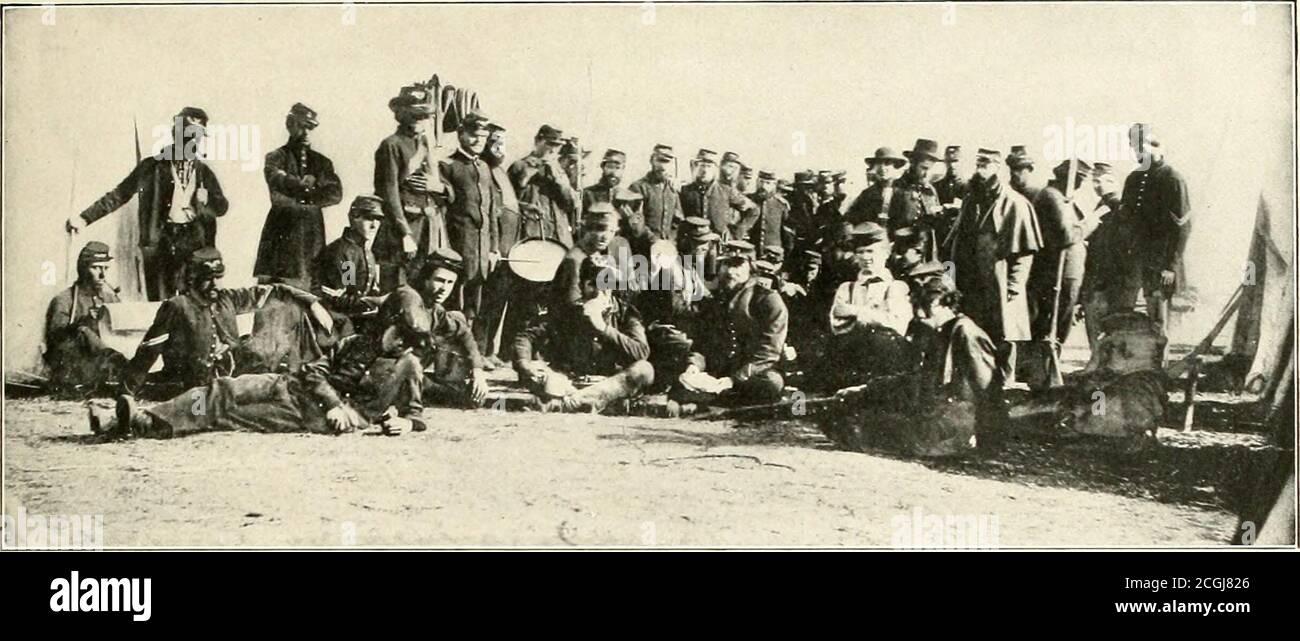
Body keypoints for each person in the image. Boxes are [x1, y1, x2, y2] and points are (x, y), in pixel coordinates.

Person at [98, 288, 435, 440]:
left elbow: (415, 414)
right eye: (399, 332)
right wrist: (333, 401)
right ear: (385, 321)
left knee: (223, 413)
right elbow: (316, 370)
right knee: (221, 388)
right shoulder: (357, 343)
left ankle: (137, 425)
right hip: (291, 387)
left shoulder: (408, 366)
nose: (403, 343)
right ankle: (127, 418)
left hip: (307, 416)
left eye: (409, 339)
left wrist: (404, 424)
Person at [67, 106, 229, 301]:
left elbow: (222, 208)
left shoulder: (204, 172)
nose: (193, 140)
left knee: (194, 300)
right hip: (160, 241)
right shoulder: (151, 167)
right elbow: (119, 194)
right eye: (188, 134)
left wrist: (208, 200)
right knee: (161, 303)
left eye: (198, 136)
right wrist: (85, 218)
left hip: (194, 241)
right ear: (176, 134)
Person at [125, 247, 325, 400]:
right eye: (208, 279)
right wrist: (128, 391)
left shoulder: (227, 298)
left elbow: (274, 291)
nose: (215, 285)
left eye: (218, 278)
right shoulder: (177, 306)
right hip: (192, 387)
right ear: (192, 279)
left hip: (231, 380)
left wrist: (311, 302)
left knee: (271, 386)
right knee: (199, 414)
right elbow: (148, 351)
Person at [831, 275, 999, 456]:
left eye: (919, 308)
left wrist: (983, 438)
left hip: (958, 419)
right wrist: (865, 389)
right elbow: (916, 377)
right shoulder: (938, 332)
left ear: (935, 304)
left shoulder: (965, 332)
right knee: (856, 417)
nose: (917, 317)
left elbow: (986, 389)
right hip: (937, 412)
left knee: (874, 430)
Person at [513, 255, 654, 413]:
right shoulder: (567, 311)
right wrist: (524, 363)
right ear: (581, 285)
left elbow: (642, 352)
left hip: (608, 384)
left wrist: (604, 328)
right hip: (568, 382)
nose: (599, 291)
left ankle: (571, 402)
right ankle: (588, 402)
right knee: (533, 369)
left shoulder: (625, 313)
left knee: (644, 370)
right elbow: (527, 336)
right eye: (592, 284)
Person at [949, 148, 1042, 384]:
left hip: (1001, 284)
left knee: (1004, 336)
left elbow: (1024, 252)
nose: (979, 171)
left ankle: (1004, 387)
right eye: (977, 165)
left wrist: (1014, 286)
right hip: (972, 283)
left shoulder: (1015, 204)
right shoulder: (971, 201)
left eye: (985, 166)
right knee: (973, 334)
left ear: (999, 169)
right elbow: (957, 241)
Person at [676, 240, 788, 405]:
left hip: (753, 371)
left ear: (751, 268)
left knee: (772, 382)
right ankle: (718, 396)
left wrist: (733, 380)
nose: (730, 271)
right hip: (720, 369)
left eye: (738, 265)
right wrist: (694, 366)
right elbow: (703, 343)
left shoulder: (767, 299)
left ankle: (718, 397)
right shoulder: (716, 299)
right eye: (726, 264)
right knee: (683, 376)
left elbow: (769, 352)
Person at [254, 103, 343, 289]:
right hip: (281, 231)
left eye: (310, 127)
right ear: (290, 125)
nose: (306, 132)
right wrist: (304, 185)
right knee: (274, 288)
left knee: (310, 285)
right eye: (302, 126)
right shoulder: (276, 157)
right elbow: (276, 180)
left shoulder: (322, 162)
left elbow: (335, 193)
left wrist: (312, 190)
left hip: (311, 234)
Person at [436, 111, 500, 355]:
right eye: (473, 135)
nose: (478, 141)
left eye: (483, 137)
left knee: (475, 304)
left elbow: (492, 211)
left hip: (483, 251)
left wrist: (494, 248)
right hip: (459, 246)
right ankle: (449, 355)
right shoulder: (448, 166)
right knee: (455, 303)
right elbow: (442, 210)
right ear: (461, 134)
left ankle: (471, 353)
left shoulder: (484, 167)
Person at [1121, 123, 1191, 336]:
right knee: (1125, 315)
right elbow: (1126, 219)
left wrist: (1171, 265)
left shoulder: (1172, 179)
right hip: (1136, 258)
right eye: (1135, 147)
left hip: (1160, 261)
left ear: (1157, 148)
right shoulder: (1133, 180)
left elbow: (1182, 227)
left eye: (1143, 147)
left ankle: (1158, 365)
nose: (1139, 153)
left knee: (1157, 318)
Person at [825, 222, 914, 390]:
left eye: (871, 251)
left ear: (886, 253)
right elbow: (837, 325)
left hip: (883, 360)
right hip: (851, 360)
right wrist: (875, 315)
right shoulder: (846, 288)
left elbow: (896, 325)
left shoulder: (896, 287)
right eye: (860, 252)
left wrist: (855, 312)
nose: (866, 258)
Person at [373, 84, 445, 290]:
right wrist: (405, 233)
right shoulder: (391, 145)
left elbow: (442, 188)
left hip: (425, 229)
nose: (418, 120)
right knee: (397, 292)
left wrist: (439, 188)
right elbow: (389, 193)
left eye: (423, 115)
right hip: (398, 232)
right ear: (400, 114)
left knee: (421, 289)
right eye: (413, 114)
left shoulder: (426, 145)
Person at [402, 248, 491, 407]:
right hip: (391, 373)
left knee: (468, 397)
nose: (445, 288)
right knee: (461, 398)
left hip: (411, 372)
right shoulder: (408, 298)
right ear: (425, 279)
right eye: (439, 280)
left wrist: (478, 371)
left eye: (450, 283)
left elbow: (464, 333)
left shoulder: (435, 309)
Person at [1026, 159, 1092, 366]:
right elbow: (1066, 235)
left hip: (1068, 272)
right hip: (1056, 272)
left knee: (1062, 320)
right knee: (1053, 321)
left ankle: (1047, 364)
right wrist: (1090, 223)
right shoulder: (1052, 197)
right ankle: (1041, 366)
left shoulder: (1064, 198)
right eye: (1079, 179)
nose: (1081, 184)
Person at [43, 241, 128, 396]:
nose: (102, 274)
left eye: (105, 268)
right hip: (75, 366)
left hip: (102, 367)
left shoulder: (111, 299)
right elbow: (55, 339)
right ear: (83, 269)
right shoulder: (65, 300)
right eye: (96, 268)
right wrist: (84, 321)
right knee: (83, 331)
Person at [311, 195, 388, 337]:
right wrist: (376, 301)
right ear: (353, 218)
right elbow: (344, 297)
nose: (374, 225)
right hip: (337, 322)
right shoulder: (344, 252)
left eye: (378, 220)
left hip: (359, 317)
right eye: (369, 218)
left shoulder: (367, 252)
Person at [1080, 162, 1136, 348]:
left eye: (1099, 181)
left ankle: (1104, 362)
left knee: (1113, 321)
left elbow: (1125, 244)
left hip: (1115, 276)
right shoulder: (1102, 205)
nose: (1096, 186)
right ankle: (1097, 360)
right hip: (1100, 272)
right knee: (1097, 319)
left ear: (1112, 181)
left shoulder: (1121, 207)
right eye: (1094, 181)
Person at [679, 149, 757, 240]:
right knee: (687, 255)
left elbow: (753, 210)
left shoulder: (727, 191)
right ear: (695, 167)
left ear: (716, 168)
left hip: (718, 246)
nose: (704, 170)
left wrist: (737, 233)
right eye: (701, 165)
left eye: (709, 166)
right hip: (691, 247)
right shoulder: (685, 190)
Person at [888, 138, 945, 259]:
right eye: (923, 168)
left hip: (927, 254)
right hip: (902, 253)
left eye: (930, 169)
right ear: (912, 163)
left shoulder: (930, 191)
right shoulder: (895, 189)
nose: (927, 174)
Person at [628, 144, 682, 241]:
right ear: (652, 160)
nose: (663, 166)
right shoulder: (638, 188)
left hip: (667, 248)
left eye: (667, 162)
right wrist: (653, 240)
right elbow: (634, 222)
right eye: (660, 160)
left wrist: (671, 241)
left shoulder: (672, 190)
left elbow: (677, 221)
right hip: (642, 247)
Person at [843, 147, 907, 225]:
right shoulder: (868, 193)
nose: (882, 168)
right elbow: (853, 217)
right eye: (879, 164)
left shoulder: (904, 191)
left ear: (895, 166)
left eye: (887, 164)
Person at [930, 145, 968, 258]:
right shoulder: (937, 185)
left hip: (962, 236)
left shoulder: (970, 186)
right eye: (949, 162)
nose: (952, 165)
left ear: (962, 162)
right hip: (941, 235)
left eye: (956, 161)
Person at [743, 170, 790, 253]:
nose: (763, 186)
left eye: (768, 183)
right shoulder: (747, 199)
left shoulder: (781, 205)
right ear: (757, 182)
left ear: (774, 185)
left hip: (772, 253)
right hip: (750, 251)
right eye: (761, 182)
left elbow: (786, 234)